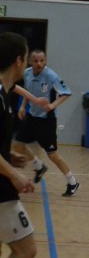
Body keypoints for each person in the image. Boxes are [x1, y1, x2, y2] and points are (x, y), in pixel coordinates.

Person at [0, 32, 39, 258]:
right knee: (26, 250)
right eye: (26, 57)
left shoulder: (5, 94)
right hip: (1, 191)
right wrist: (14, 174)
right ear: (18, 60)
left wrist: (8, 156)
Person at [14, 49, 80, 196]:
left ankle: (72, 182)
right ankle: (39, 167)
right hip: (32, 117)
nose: (39, 63)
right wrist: (23, 106)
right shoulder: (27, 73)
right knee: (18, 145)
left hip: (46, 120)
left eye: (42, 60)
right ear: (30, 61)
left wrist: (52, 105)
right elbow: (27, 92)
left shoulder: (51, 76)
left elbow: (66, 93)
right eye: (36, 61)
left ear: (45, 61)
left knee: (52, 155)